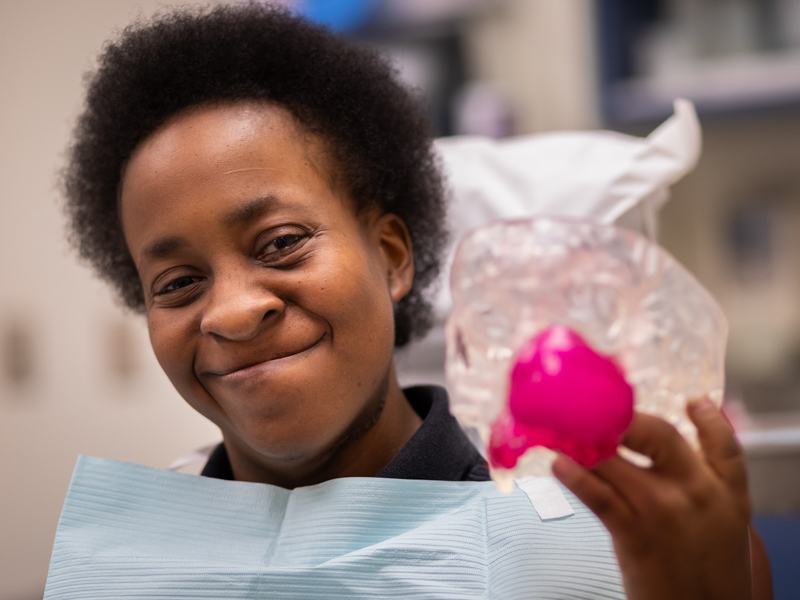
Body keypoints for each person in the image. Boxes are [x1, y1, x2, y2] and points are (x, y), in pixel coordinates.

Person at [60, 3, 771, 598]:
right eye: (178, 283)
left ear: (392, 257)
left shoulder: (640, 546)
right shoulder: (134, 570)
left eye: (280, 243)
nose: (234, 311)